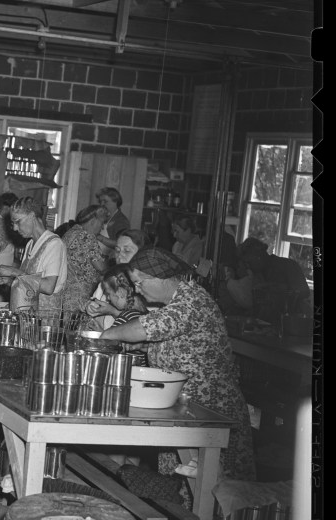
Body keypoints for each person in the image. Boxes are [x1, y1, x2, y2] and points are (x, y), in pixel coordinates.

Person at [99, 247, 256, 484]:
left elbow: (144, 327)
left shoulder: (191, 302)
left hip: (210, 410)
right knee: (182, 485)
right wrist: (146, 348)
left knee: (214, 490)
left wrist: (106, 335)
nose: (137, 289)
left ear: (160, 278)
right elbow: (183, 346)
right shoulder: (179, 300)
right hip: (187, 409)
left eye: (139, 283)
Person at [0, 196, 68, 311]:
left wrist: (13, 271)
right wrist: (10, 280)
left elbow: (48, 287)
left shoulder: (54, 244)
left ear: (32, 216)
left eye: (18, 222)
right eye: (13, 223)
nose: (15, 228)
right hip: (27, 315)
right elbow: (28, 281)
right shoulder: (30, 244)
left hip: (45, 317)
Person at [237, 236, 311, 319]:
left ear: (258, 256)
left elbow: (304, 292)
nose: (248, 267)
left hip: (289, 320)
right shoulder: (256, 275)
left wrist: (275, 288)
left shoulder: (288, 266)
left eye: (249, 263)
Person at [61, 204, 106, 313]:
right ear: (93, 221)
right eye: (102, 223)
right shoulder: (87, 236)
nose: (102, 227)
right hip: (81, 294)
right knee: (77, 322)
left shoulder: (69, 233)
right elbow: (100, 267)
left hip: (65, 291)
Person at [95, 187, 130, 256]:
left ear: (115, 201)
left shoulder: (121, 221)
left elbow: (121, 244)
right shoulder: (102, 216)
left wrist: (98, 236)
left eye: (105, 201)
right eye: (100, 202)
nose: (102, 204)